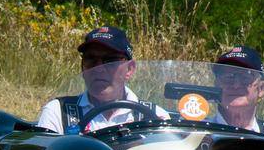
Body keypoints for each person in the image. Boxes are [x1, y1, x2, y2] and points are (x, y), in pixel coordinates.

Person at [37, 25, 168, 133]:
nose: (99, 68)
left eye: (110, 61)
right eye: (91, 59)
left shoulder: (155, 117)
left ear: (129, 69)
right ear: (82, 67)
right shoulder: (59, 113)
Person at [209, 45, 264, 140]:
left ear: (261, 89)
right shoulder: (197, 132)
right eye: (229, 77)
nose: (236, 85)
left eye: (245, 78)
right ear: (216, 85)